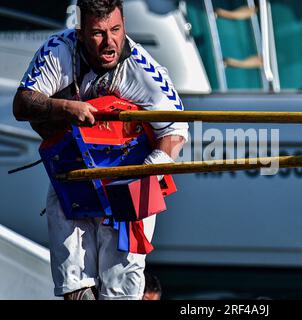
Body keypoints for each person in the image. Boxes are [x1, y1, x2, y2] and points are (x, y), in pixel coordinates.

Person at [12, 0, 188, 300]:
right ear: (80, 32)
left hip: (129, 183)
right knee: (74, 286)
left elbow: (175, 130)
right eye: (98, 33)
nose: (110, 42)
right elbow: (22, 104)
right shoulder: (59, 50)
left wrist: (143, 174)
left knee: (120, 291)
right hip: (72, 176)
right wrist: (65, 107)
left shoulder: (143, 69)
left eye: (116, 30)